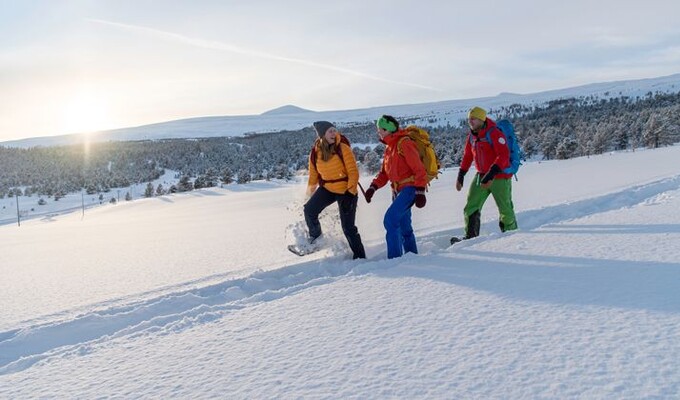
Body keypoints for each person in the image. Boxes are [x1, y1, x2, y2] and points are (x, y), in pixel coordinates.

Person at [364, 115, 427, 259]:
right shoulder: (389, 148)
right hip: (397, 191)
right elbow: (384, 174)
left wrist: (420, 192)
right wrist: (373, 188)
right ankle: (412, 257)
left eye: (381, 129)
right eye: (378, 129)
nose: (379, 132)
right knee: (405, 227)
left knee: (390, 220)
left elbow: (419, 169)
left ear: (389, 129)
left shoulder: (404, 143)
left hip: (410, 189)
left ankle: (394, 260)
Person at [451, 106, 518, 244]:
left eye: (473, 119)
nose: (470, 121)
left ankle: (512, 236)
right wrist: (461, 174)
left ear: (481, 119)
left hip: (499, 177)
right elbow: (468, 156)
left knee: (505, 209)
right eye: (469, 119)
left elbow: (503, 155)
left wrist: (491, 174)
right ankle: (470, 237)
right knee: (471, 206)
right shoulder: (472, 136)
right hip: (481, 176)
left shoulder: (494, 133)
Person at [304, 121, 366, 259]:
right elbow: (313, 176)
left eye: (334, 130)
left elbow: (353, 173)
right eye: (330, 131)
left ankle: (360, 256)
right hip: (327, 188)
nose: (334, 133)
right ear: (322, 135)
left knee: (348, 227)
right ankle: (316, 238)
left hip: (346, 190)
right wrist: (309, 195)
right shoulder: (315, 152)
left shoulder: (342, 148)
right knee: (309, 210)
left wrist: (350, 194)